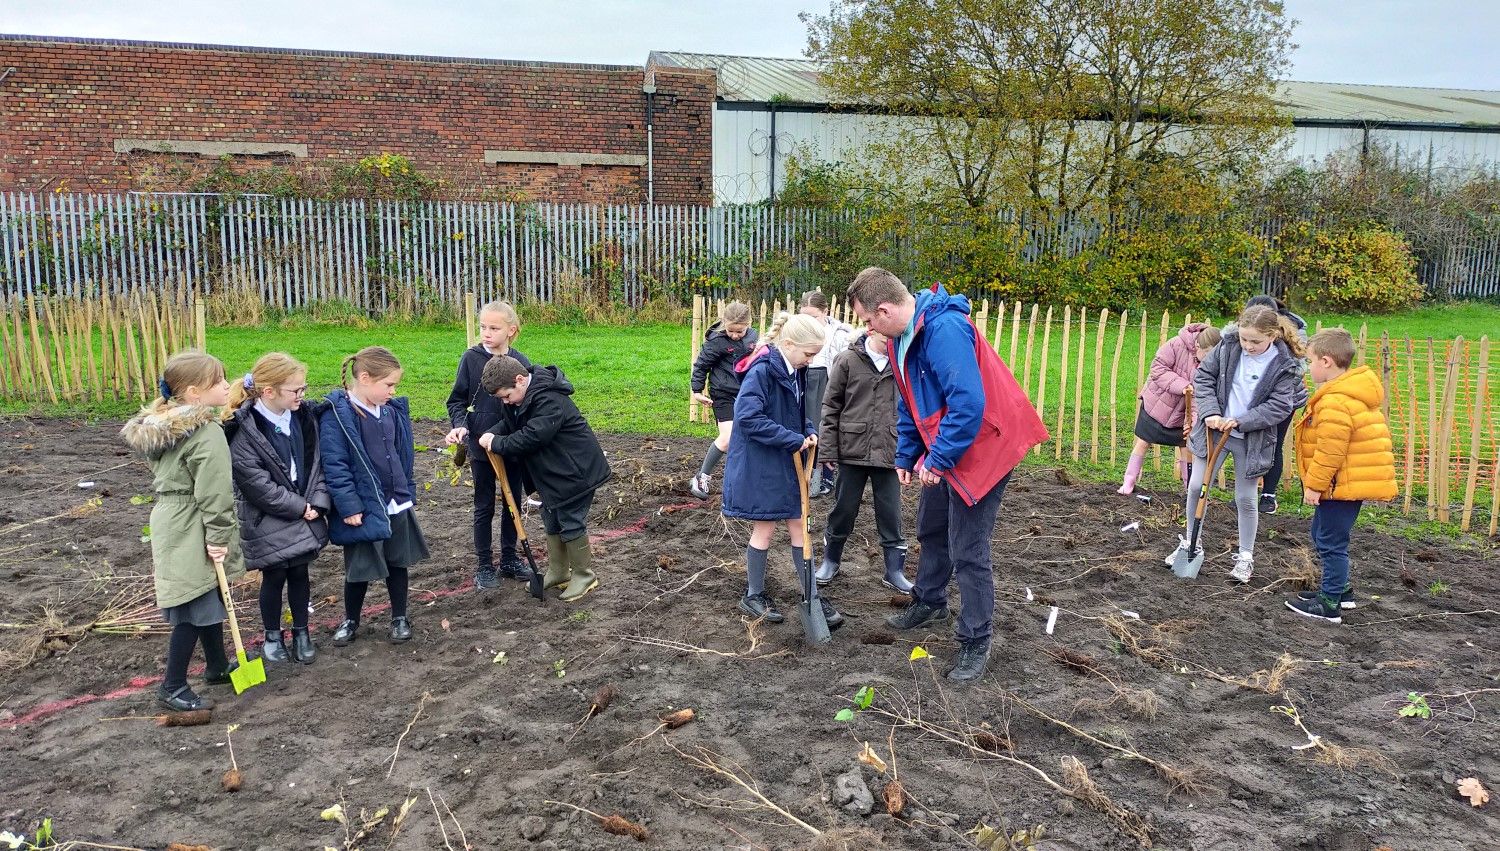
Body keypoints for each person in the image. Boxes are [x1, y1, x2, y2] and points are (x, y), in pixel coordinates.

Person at [847, 268, 1048, 682]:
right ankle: (931, 601)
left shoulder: (944, 330)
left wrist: (936, 461)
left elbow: (968, 404)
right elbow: (910, 402)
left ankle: (977, 638)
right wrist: (909, 454)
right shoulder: (904, 337)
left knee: (969, 547)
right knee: (932, 525)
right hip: (951, 443)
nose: (867, 329)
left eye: (868, 320)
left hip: (986, 444)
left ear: (884, 310)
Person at [121, 351, 244, 712]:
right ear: (194, 393)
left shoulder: (163, 425)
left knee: (209, 592)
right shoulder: (206, 433)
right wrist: (219, 536)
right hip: (192, 519)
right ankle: (172, 686)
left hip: (171, 515)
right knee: (194, 603)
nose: (227, 385)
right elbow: (215, 491)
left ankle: (218, 666)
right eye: (219, 381)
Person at [720, 312, 844, 629]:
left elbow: (797, 410)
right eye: (808, 354)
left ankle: (811, 595)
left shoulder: (794, 368)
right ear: (788, 344)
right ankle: (754, 594)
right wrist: (792, 438)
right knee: (764, 528)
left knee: (799, 524)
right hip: (763, 463)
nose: (811, 360)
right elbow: (747, 418)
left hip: (786, 460)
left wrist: (807, 428)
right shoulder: (762, 371)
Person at [1165, 305, 1305, 583]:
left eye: (1255, 341)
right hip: (1214, 432)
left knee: (1245, 497)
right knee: (1196, 486)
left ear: (1274, 335)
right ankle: (1191, 542)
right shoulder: (1228, 346)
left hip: (1250, 438)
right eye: (1244, 339)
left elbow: (1279, 406)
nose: (1248, 346)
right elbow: (1204, 378)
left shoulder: (1284, 364)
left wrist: (1241, 421)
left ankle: (1245, 557)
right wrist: (1211, 413)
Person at [222, 353, 330, 665]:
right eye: (295, 390)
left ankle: (301, 632)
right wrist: (300, 507)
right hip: (268, 517)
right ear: (269, 392)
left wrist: (319, 502)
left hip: (305, 510)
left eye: (303, 389)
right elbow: (258, 486)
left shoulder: (304, 418)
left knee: (300, 572)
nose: (301, 396)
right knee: (274, 575)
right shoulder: (245, 431)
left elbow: (317, 467)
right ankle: (272, 634)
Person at [318, 346, 430, 645]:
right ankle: (351, 619)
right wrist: (349, 505)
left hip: (396, 502)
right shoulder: (337, 416)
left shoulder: (391, 411)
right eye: (389, 385)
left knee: (398, 562)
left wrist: (407, 489)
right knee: (359, 568)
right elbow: (335, 465)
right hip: (364, 507)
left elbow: (401, 454)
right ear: (365, 378)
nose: (393, 391)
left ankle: (399, 617)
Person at [1284, 329, 1397, 623]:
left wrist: (1314, 486)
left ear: (1326, 361)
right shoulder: (1348, 393)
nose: (1308, 368)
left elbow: (1330, 452)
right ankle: (1341, 592)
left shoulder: (1335, 401)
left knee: (1331, 542)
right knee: (1323, 535)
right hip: (1346, 483)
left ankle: (1329, 604)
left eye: (1310, 362)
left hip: (1339, 485)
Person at [478, 355, 612, 602]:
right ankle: (559, 570)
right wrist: (492, 432)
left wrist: (498, 443)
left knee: (570, 521)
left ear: (520, 380)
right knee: (551, 519)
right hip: (552, 474)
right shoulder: (519, 400)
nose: (505, 402)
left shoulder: (550, 398)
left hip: (576, 473)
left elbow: (533, 436)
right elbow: (509, 424)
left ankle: (584, 574)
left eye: (506, 396)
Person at [443, 300, 535, 590]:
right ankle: (484, 564)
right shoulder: (470, 359)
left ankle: (509, 558)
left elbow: (528, 401)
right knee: (484, 505)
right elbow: (457, 399)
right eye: (483, 327)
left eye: (494, 328)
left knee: (513, 502)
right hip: (481, 445)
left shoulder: (520, 362)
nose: (486, 333)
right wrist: (460, 424)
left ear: (511, 330)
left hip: (511, 445)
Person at [814, 327, 911, 593]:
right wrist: (828, 451)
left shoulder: (903, 362)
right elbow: (831, 407)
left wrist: (910, 453)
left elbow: (913, 409)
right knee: (843, 509)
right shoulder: (847, 360)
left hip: (890, 451)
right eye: (886, 340)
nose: (891, 345)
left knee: (891, 513)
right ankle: (830, 561)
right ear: (870, 330)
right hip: (851, 449)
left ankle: (894, 571)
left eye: (896, 341)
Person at [1118, 324, 1222, 495]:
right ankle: (1128, 483)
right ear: (1197, 346)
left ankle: (1189, 490)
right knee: (1143, 442)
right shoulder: (1175, 344)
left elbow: (1201, 395)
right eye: (1208, 356)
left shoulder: (1211, 364)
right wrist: (1183, 386)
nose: (1210, 361)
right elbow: (1157, 370)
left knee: (1186, 448)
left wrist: (1193, 422)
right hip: (1157, 403)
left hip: (1183, 412)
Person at [1244, 294, 1310, 515]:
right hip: (1253, 400)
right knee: (1250, 443)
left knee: (1273, 442)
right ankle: (1249, 494)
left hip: (1285, 401)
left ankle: (1268, 495)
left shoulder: (1290, 336)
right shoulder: (1247, 335)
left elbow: (1297, 371)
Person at [689, 301, 758, 499]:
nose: (735, 335)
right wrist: (697, 391)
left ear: (749, 324)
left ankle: (745, 481)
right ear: (724, 323)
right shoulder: (716, 341)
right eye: (731, 331)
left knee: (750, 436)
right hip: (723, 393)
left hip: (746, 393)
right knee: (728, 438)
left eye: (740, 331)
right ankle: (701, 477)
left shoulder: (753, 337)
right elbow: (701, 365)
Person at [800, 290, 856, 497]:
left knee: (823, 427)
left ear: (825, 311)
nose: (809, 321)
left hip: (826, 381)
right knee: (804, 428)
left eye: (813, 316)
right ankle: (806, 475)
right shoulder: (796, 331)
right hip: (804, 380)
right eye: (804, 316)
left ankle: (825, 476)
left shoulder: (840, 333)